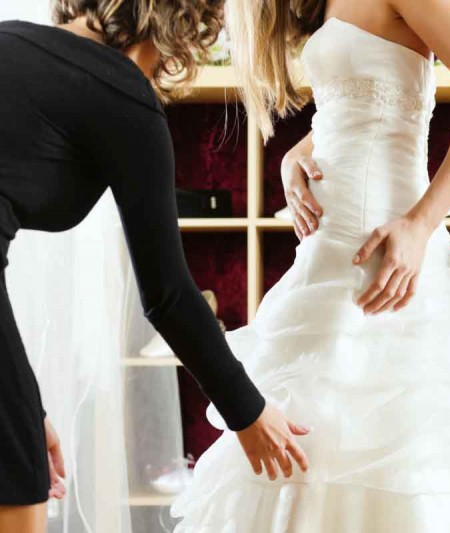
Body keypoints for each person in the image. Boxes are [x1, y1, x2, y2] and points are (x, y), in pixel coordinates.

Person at [171, 0, 450, 531]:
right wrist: (298, 153)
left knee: (398, 451)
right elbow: (367, 95)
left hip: (386, 250)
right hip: (328, 253)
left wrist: (422, 222)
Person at [0, 2, 311, 531]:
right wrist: (249, 413)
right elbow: (167, 294)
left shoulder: (8, 38)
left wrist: (27, 412)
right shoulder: (122, 94)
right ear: (185, 26)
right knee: (19, 480)